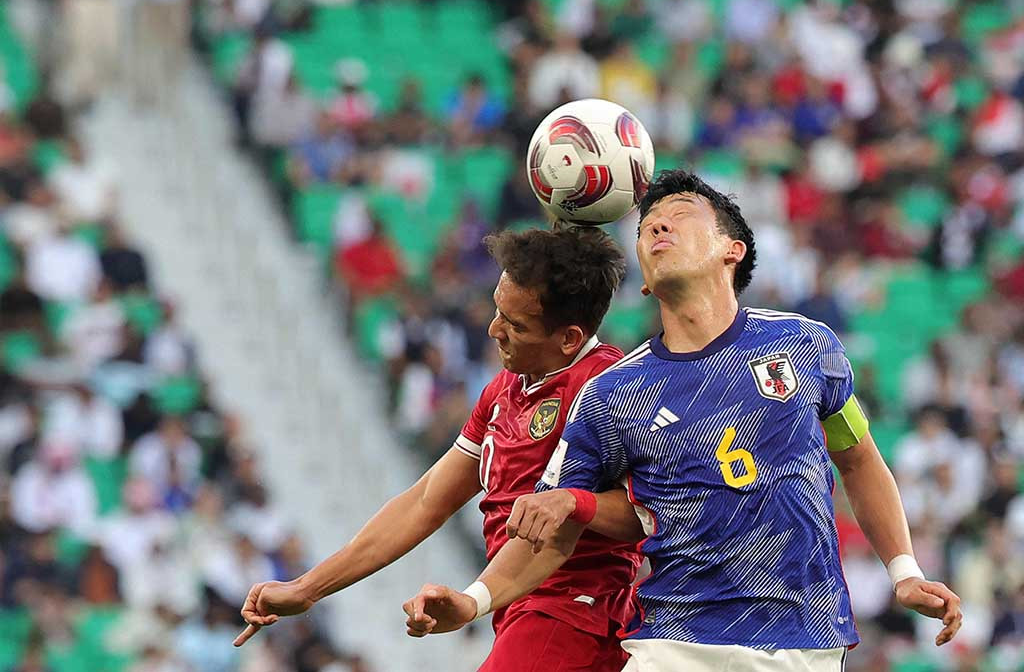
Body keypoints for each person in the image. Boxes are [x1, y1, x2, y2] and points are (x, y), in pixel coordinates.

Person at [402, 170, 964, 670]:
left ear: (731, 250)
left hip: (801, 640)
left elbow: (858, 460)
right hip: (673, 641)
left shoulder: (805, 346)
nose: (658, 225)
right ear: (645, 280)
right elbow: (552, 532)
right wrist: (473, 600)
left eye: (682, 214)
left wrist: (904, 572)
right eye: (648, 225)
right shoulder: (613, 394)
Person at [234, 228, 645, 672]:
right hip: (518, 610)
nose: (494, 330)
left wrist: (570, 505)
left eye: (516, 325)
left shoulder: (609, 387)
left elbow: (646, 509)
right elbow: (425, 501)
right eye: (497, 311)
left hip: (574, 613)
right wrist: (308, 588)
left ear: (569, 338)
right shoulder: (503, 390)